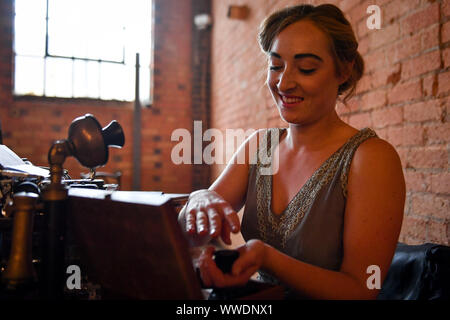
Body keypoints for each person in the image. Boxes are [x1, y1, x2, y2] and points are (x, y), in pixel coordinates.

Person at [178, 3, 405, 300]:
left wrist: (268, 258)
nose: (284, 83)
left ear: (343, 69)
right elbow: (187, 228)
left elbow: (362, 290)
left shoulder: (371, 158)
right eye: (275, 66)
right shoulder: (260, 146)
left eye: (306, 68)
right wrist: (199, 197)